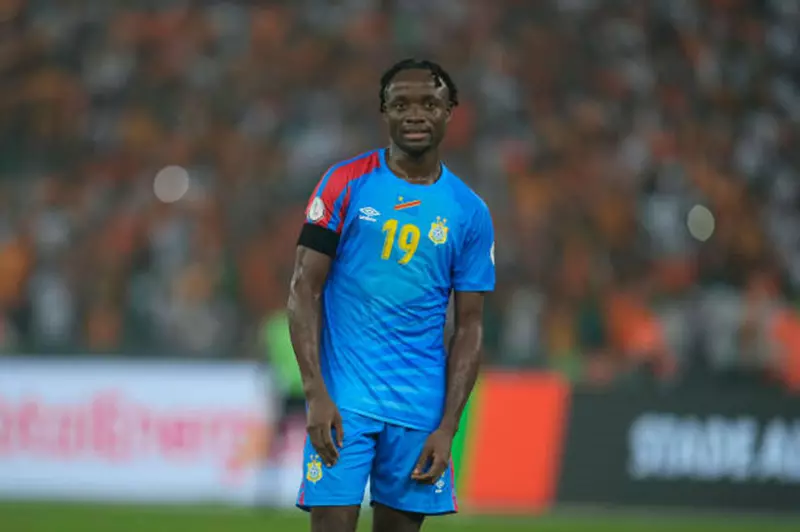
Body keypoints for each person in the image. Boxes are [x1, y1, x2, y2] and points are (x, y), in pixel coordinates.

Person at [287, 58, 495, 532]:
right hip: (345, 401)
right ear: (384, 111)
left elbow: (470, 326)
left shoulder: (470, 212)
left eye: (429, 104)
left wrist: (448, 426)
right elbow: (303, 287)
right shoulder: (345, 182)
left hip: (419, 410)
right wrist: (315, 393)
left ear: (449, 111)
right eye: (401, 104)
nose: (415, 114)